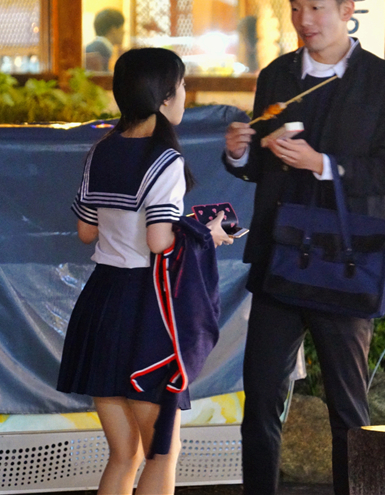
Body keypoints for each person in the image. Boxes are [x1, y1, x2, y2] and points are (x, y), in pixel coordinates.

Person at [223, 0, 385, 495]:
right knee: (260, 398)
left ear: (347, 11)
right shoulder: (277, 75)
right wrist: (239, 155)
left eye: (316, 6)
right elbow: (261, 169)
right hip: (281, 254)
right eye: (296, 6)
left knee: (347, 408)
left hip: (344, 261)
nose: (304, 18)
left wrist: (322, 164)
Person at [58, 47, 233, 495]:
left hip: (101, 303)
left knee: (124, 455)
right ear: (162, 97)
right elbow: (159, 242)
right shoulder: (166, 162)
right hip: (146, 311)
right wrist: (205, 235)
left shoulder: (100, 151)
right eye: (181, 86)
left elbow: (85, 230)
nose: (185, 95)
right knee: (160, 453)